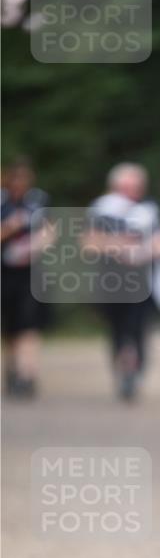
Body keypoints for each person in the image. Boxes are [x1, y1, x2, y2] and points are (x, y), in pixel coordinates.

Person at [85, 164, 160, 401]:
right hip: (111, 281)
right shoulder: (101, 210)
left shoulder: (149, 209)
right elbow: (89, 244)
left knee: (138, 329)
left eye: (136, 187)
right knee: (117, 330)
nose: (133, 191)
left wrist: (146, 252)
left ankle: (134, 372)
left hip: (143, 281)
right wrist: (119, 248)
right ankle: (122, 370)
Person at [1, 159, 51, 399]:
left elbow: (50, 230)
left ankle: (27, 374)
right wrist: (9, 229)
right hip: (5, 273)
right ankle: (12, 370)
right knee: (11, 328)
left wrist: (40, 244)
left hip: (30, 274)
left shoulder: (38, 201)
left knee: (29, 326)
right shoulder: (2, 202)